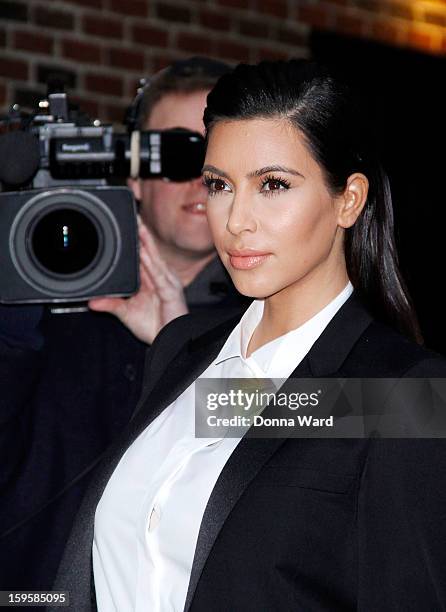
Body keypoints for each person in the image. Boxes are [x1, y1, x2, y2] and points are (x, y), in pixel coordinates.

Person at [52, 59, 446, 611]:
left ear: (348, 200)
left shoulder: (400, 393)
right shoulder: (179, 349)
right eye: (219, 185)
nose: (236, 219)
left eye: (273, 185)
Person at [0, 57, 249, 595]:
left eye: (222, 160)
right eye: (179, 153)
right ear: (133, 173)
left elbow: (395, 417)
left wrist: (188, 357)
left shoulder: (277, 307)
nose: (202, 181)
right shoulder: (44, 310)